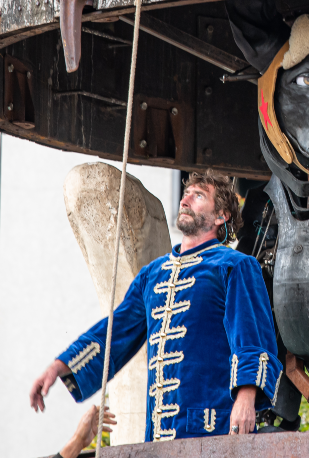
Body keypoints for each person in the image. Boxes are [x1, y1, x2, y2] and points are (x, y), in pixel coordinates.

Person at [29, 172, 282, 442]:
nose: (185, 200)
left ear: (221, 216)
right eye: (186, 193)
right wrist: (61, 365)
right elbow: (115, 331)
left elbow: (252, 339)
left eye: (199, 196)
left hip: (214, 432)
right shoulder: (153, 274)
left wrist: (246, 397)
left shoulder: (235, 265)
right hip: (159, 438)